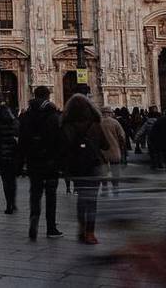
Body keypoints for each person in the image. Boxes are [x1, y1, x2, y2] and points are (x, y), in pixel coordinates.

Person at [60, 93, 108, 245]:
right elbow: (105, 145)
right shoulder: (95, 124)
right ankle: (90, 233)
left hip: (77, 167)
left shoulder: (67, 125)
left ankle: (81, 228)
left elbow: (64, 148)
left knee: (81, 199)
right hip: (94, 165)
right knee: (92, 200)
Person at [19, 86, 64, 240]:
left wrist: (23, 160)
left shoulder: (26, 116)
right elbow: (60, 140)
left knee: (35, 194)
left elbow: (22, 140)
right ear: (48, 96)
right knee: (51, 195)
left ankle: (34, 219)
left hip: (33, 162)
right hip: (51, 162)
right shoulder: (54, 116)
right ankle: (51, 227)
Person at [0, 104, 20, 213]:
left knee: (6, 182)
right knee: (13, 181)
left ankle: (9, 204)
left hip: (2, 157)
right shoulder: (16, 124)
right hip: (14, 157)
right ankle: (14, 202)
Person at [99, 106, 126, 193]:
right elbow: (122, 136)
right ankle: (115, 187)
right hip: (114, 150)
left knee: (103, 170)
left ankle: (105, 187)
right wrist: (121, 146)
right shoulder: (115, 122)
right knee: (115, 170)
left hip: (102, 151)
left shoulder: (98, 123)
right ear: (110, 113)